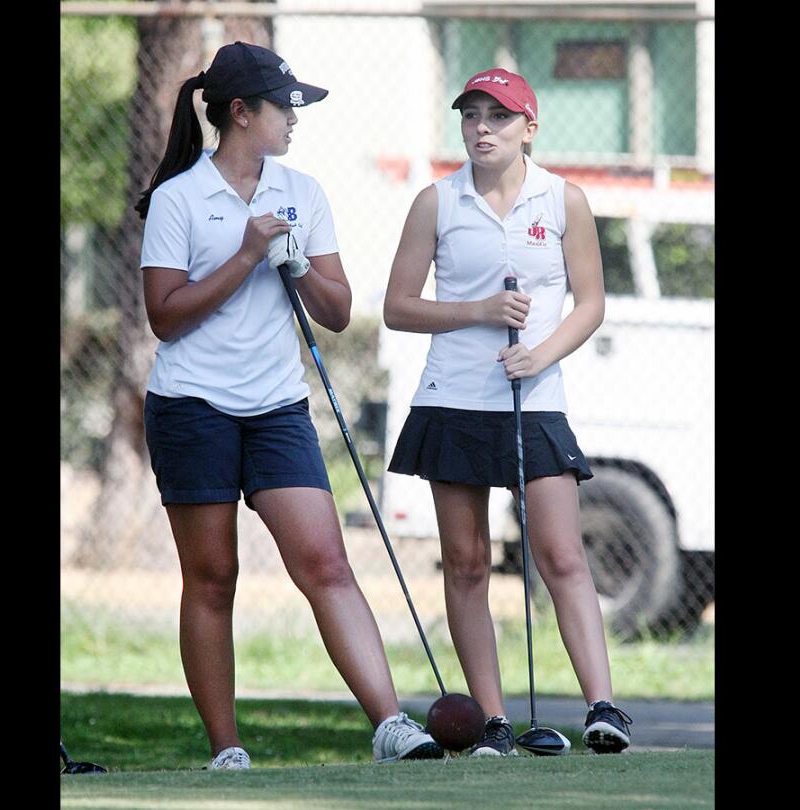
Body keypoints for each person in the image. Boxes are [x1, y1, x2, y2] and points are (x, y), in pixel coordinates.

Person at [135, 41, 443, 769]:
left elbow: (335, 314)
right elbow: (164, 317)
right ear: (241, 113)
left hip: (276, 408)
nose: (296, 118)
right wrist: (244, 256)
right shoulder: (180, 198)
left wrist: (297, 262)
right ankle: (227, 749)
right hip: (191, 407)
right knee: (212, 578)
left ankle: (392, 726)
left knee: (326, 563)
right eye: (285, 105)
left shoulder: (302, 191)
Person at [382, 68, 634, 756]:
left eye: (497, 116)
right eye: (471, 116)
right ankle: (493, 719)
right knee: (465, 563)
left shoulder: (564, 200)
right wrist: (479, 312)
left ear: (530, 127)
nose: (481, 128)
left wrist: (541, 353)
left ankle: (603, 709)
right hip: (453, 400)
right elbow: (398, 307)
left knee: (561, 555)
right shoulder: (436, 202)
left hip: (536, 399)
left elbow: (590, 302)